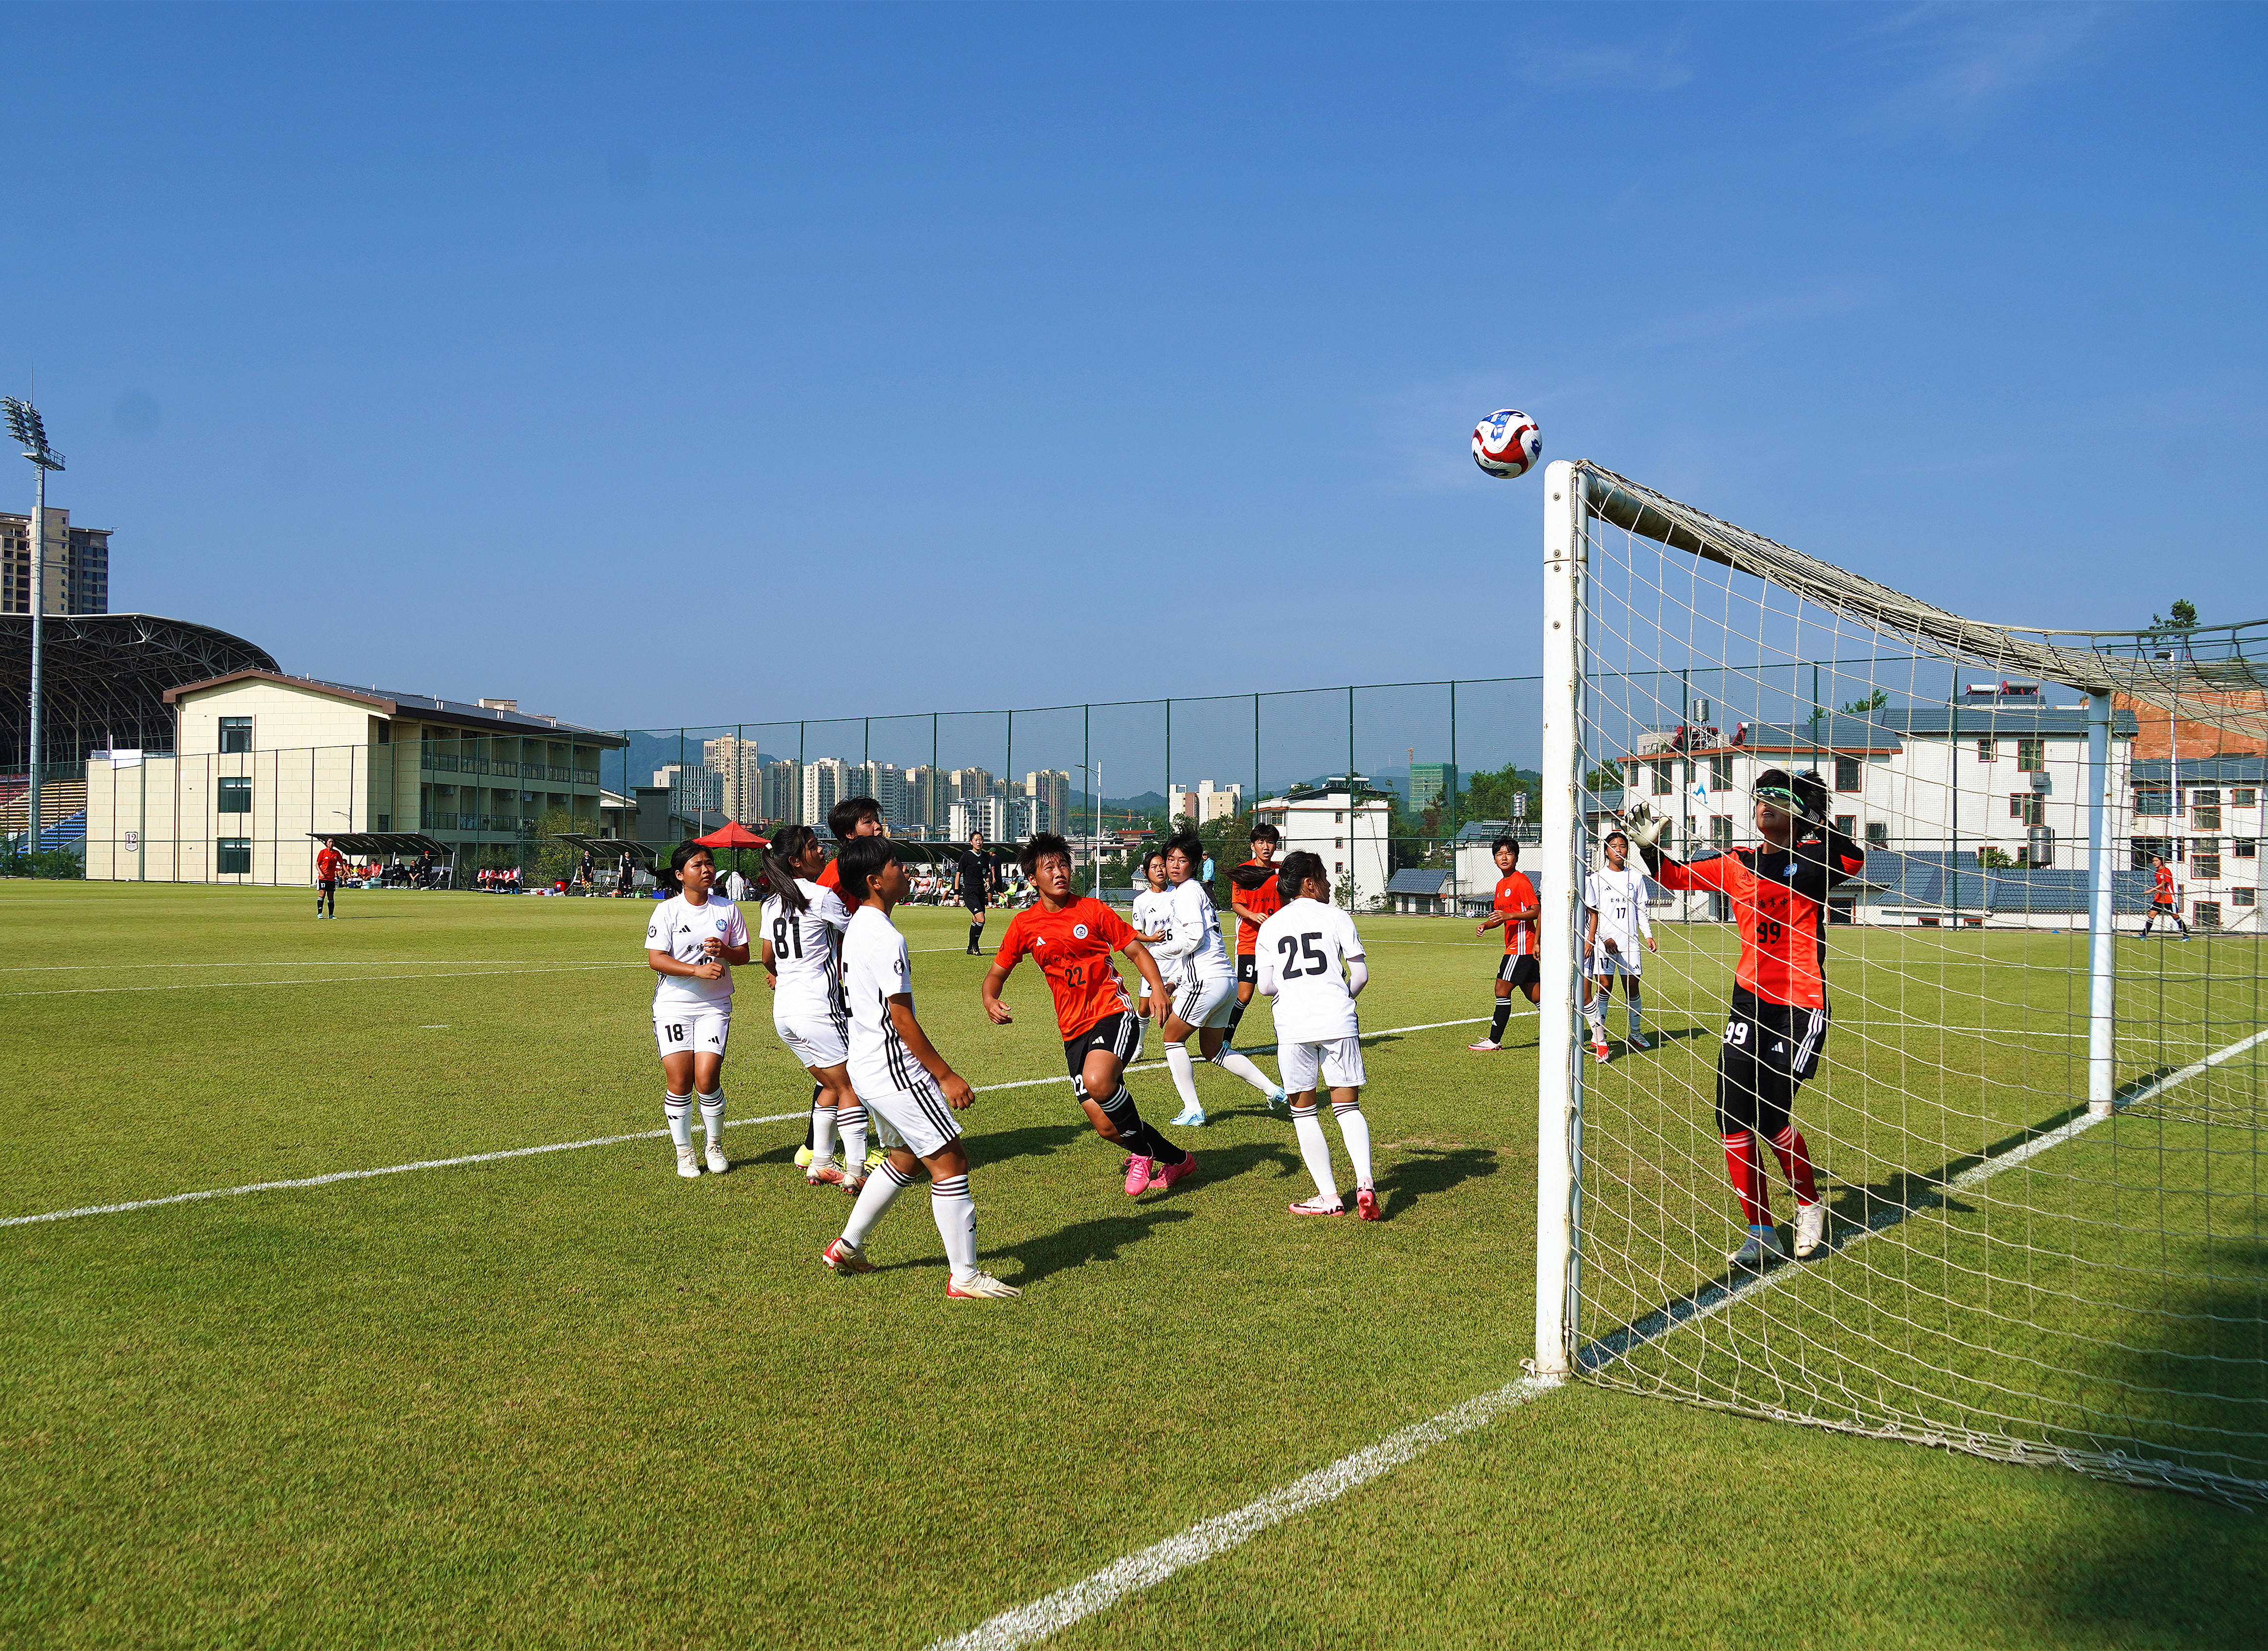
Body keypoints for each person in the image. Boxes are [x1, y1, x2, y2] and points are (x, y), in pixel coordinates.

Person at [1632, 768, 1864, 1267]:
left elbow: (1852, 858)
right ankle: (1760, 1231)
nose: (1764, 804)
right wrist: (1649, 848)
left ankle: (1808, 1204)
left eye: (1777, 797)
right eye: (1760, 796)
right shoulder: (1737, 863)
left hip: (1799, 1005)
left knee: (1772, 1114)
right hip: (1748, 1001)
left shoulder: (1813, 860)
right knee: (1730, 1113)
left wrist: (1816, 818)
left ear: (1797, 811)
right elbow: (1674, 877)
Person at [824, 835, 1020, 1299]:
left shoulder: (860, 925)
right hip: (894, 1069)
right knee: (951, 1161)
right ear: (875, 880)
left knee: (904, 1157)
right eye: (895, 864)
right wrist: (945, 1075)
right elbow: (901, 1018)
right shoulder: (884, 936)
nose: (905, 870)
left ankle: (847, 1246)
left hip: (868, 1066)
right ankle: (965, 1277)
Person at [983, 832, 1193, 1198]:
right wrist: (990, 999)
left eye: (1064, 865)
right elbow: (996, 974)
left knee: (1098, 1082)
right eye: (1049, 868)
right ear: (1032, 879)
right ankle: (1179, 1160)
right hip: (1072, 1030)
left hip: (1113, 1012)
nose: (1060, 872)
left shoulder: (1093, 910)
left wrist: (1158, 987)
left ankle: (1141, 1154)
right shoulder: (1024, 925)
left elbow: (1136, 952)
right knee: (1107, 1127)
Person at [1256, 851, 1378, 1219]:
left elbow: (1264, 986)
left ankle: (1329, 1197)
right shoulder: (1336, 916)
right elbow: (1360, 976)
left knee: (1304, 1113)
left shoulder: (1270, 926)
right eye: (1323, 877)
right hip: (1337, 1020)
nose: (1327, 884)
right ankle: (1365, 1183)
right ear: (1309, 883)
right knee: (1348, 1108)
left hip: (1293, 1024)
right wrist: (1341, 998)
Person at [1154, 831, 1289, 1126]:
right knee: (1213, 1050)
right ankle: (1274, 1091)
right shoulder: (1191, 892)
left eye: (1182, 860)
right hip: (1225, 980)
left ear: (1194, 865)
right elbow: (1202, 944)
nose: (1174, 865)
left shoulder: (1187, 892)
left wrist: (1156, 953)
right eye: (1170, 859)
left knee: (1172, 1039)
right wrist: (1175, 979)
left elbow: (1193, 939)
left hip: (1207, 980)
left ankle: (1193, 1110)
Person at [758, 825, 866, 1190]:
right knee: (851, 1084)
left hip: (784, 1011)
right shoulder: (820, 896)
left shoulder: (771, 903)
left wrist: (785, 973)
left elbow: (767, 957)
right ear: (795, 860)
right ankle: (857, 1170)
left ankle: (820, 1163)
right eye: (813, 846)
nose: (821, 851)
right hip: (818, 1006)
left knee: (830, 1084)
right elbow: (859, 935)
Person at [644, 842, 751, 1180]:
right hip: (673, 1007)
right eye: (697, 865)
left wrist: (725, 951)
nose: (706, 870)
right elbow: (656, 959)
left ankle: (714, 1146)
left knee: (707, 1079)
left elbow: (744, 955)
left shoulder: (727, 909)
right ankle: (685, 1153)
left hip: (714, 1007)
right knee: (680, 1082)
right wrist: (696, 970)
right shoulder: (667, 911)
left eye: (709, 863)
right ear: (680, 875)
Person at [805, 797, 887, 1172]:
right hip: (843, 978)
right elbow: (811, 918)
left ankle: (814, 1148)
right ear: (849, 834)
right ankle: (874, 1148)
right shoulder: (837, 871)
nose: (877, 826)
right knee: (854, 1061)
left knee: (843, 1063)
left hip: (859, 971)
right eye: (868, 821)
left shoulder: (869, 863)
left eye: (876, 819)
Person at [1582, 828, 1660, 1061]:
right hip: (1604, 942)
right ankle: (1599, 1034)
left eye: (1623, 846)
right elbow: (1593, 913)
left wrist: (1647, 935)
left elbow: (1641, 910)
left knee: (1632, 987)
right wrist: (1604, 937)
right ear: (1606, 851)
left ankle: (1635, 1032)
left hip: (1630, 941)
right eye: (1614, 846)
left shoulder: (1635, 878)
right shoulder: (1596, 879)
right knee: (1604, 986)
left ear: (1628, 851)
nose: (1618, 850)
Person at [1468, 838, 1540, 1052]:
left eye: (1509, 853)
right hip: (1518, 947)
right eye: (1500, 854)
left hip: (1521, 947)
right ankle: (1563, 1028)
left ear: (1516, 857)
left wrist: (1510, 915)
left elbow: (1536, 910)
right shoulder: (1501, 885)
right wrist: (1486, 925)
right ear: (1494, 859)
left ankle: (1494, 1040)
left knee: (1501, 989)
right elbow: (1499, 917)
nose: (1504, 858)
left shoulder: (1521, 881)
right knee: (1536, 996)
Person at [1223, 823, 1284, 1046]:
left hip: (1277, 943)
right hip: (1250, 942)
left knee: (1283, 990)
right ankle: (1224, 1040)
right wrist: (1252, 915)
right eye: (1261, 842)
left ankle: (1288, 1037)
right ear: (1253, 846)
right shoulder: (1244, 872)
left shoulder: (1281, 872)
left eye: (1270, 842)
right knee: (1244, 995)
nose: (1266, 847)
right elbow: (1236, 904)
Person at [1130, 849, 1180, 1025]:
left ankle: (1176, 1039)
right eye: (1154, 867)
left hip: (1179, 961)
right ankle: (1139, 1041)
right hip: (1155, 961)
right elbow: (1135, 933)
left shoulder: (1179, 893)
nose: (1159, 870)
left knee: (1181, 1007)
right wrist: (1151, 939)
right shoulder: (1141, 901)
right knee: (1144, 1008)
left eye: (1162, 866)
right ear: (1146, 873)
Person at [956, 830, 1000, 954]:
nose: (978, 842)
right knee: (981, 919)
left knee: (976, 919)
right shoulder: (967, 856)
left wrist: (987, 881)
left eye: (980, 840)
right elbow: (958, 874)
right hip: (970, 892)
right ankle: (975, 946)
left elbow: (985, 872)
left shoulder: (985, 856)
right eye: (976, 840)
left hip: (981, 891)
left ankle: (970, 948)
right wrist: (957, 892)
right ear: (971, 842)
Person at [2137, 855, 2191, 939]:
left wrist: (2151, 890)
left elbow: (2164, 883)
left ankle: (2186, 936)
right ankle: (2144, 935)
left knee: (2175, 917)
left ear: (2161, 861)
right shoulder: (2157, 872)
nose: (2154, 863)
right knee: (2151, 915)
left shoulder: (2166, 871)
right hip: (2159, 899)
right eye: (2153, 861)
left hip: (2168, 898)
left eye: (2156, 861)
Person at [314, 836, 345, 920]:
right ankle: (320, 913)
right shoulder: (323, 852)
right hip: (323, 877)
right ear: (326, 843)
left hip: (331, 878)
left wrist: (343, 871)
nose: (331, 844)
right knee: (322, 894)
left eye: (332, 842)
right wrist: (321, 873)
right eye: (329, 842)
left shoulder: (336, 853)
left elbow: (342, 863)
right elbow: (317, 864)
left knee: (331, 896)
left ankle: (331, 915)